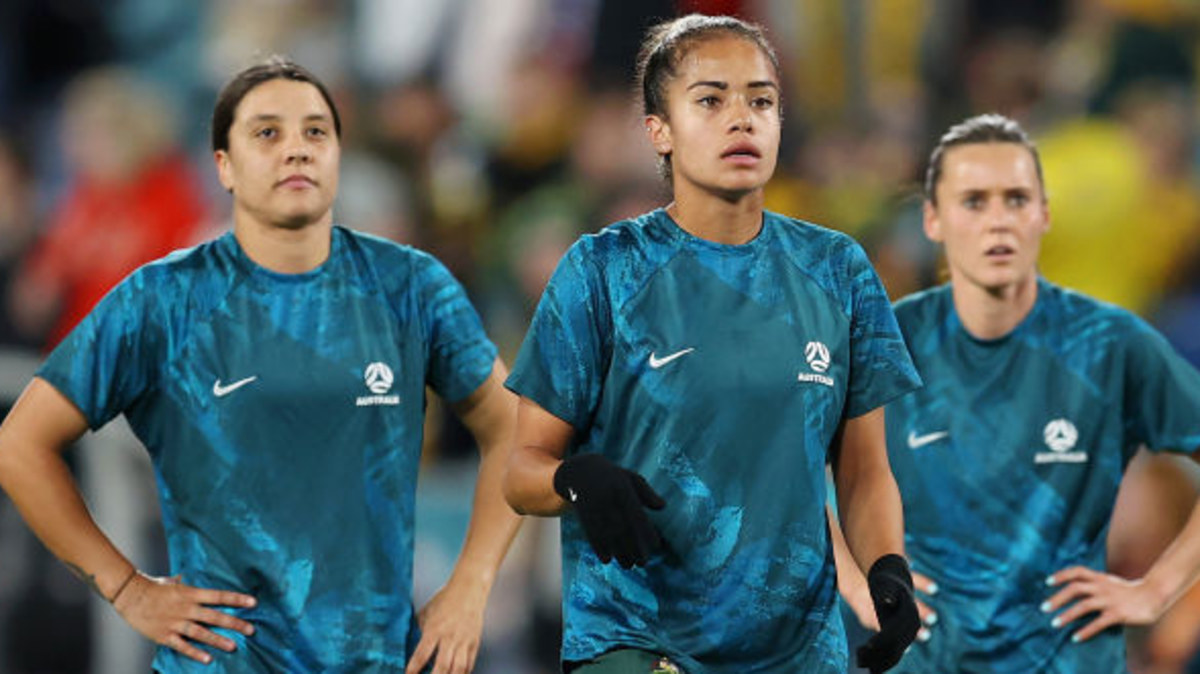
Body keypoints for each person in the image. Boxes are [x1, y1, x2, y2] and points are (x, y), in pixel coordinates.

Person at [0, 57, 521, 673]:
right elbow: (19, 446)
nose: (296, 149)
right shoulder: (163, 300)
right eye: (268, 132)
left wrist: (471, 586)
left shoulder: (410, 287)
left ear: (337, 156)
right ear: (224, 165)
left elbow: (516, 428)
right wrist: (127, 588)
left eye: (315, 132)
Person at [502, 14, 922, 673]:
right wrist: (574, 478)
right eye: (710, 100)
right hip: (637, 639)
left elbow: (864, 472)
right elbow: (521, 471)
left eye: (761, 101)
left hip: (797, 652)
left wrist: (887, 567)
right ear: (659, 130)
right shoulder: (602, 271)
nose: (742, 118)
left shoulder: (837, 270)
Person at [882, 113, 1200, 672]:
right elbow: (795, 477)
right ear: (933, 218)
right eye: (973, 201)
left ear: (1044, 215)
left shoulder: (1111, 345)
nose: (997, 222)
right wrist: (862, 578)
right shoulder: (890, 344)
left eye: (1017, 200)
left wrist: (1158, 594)